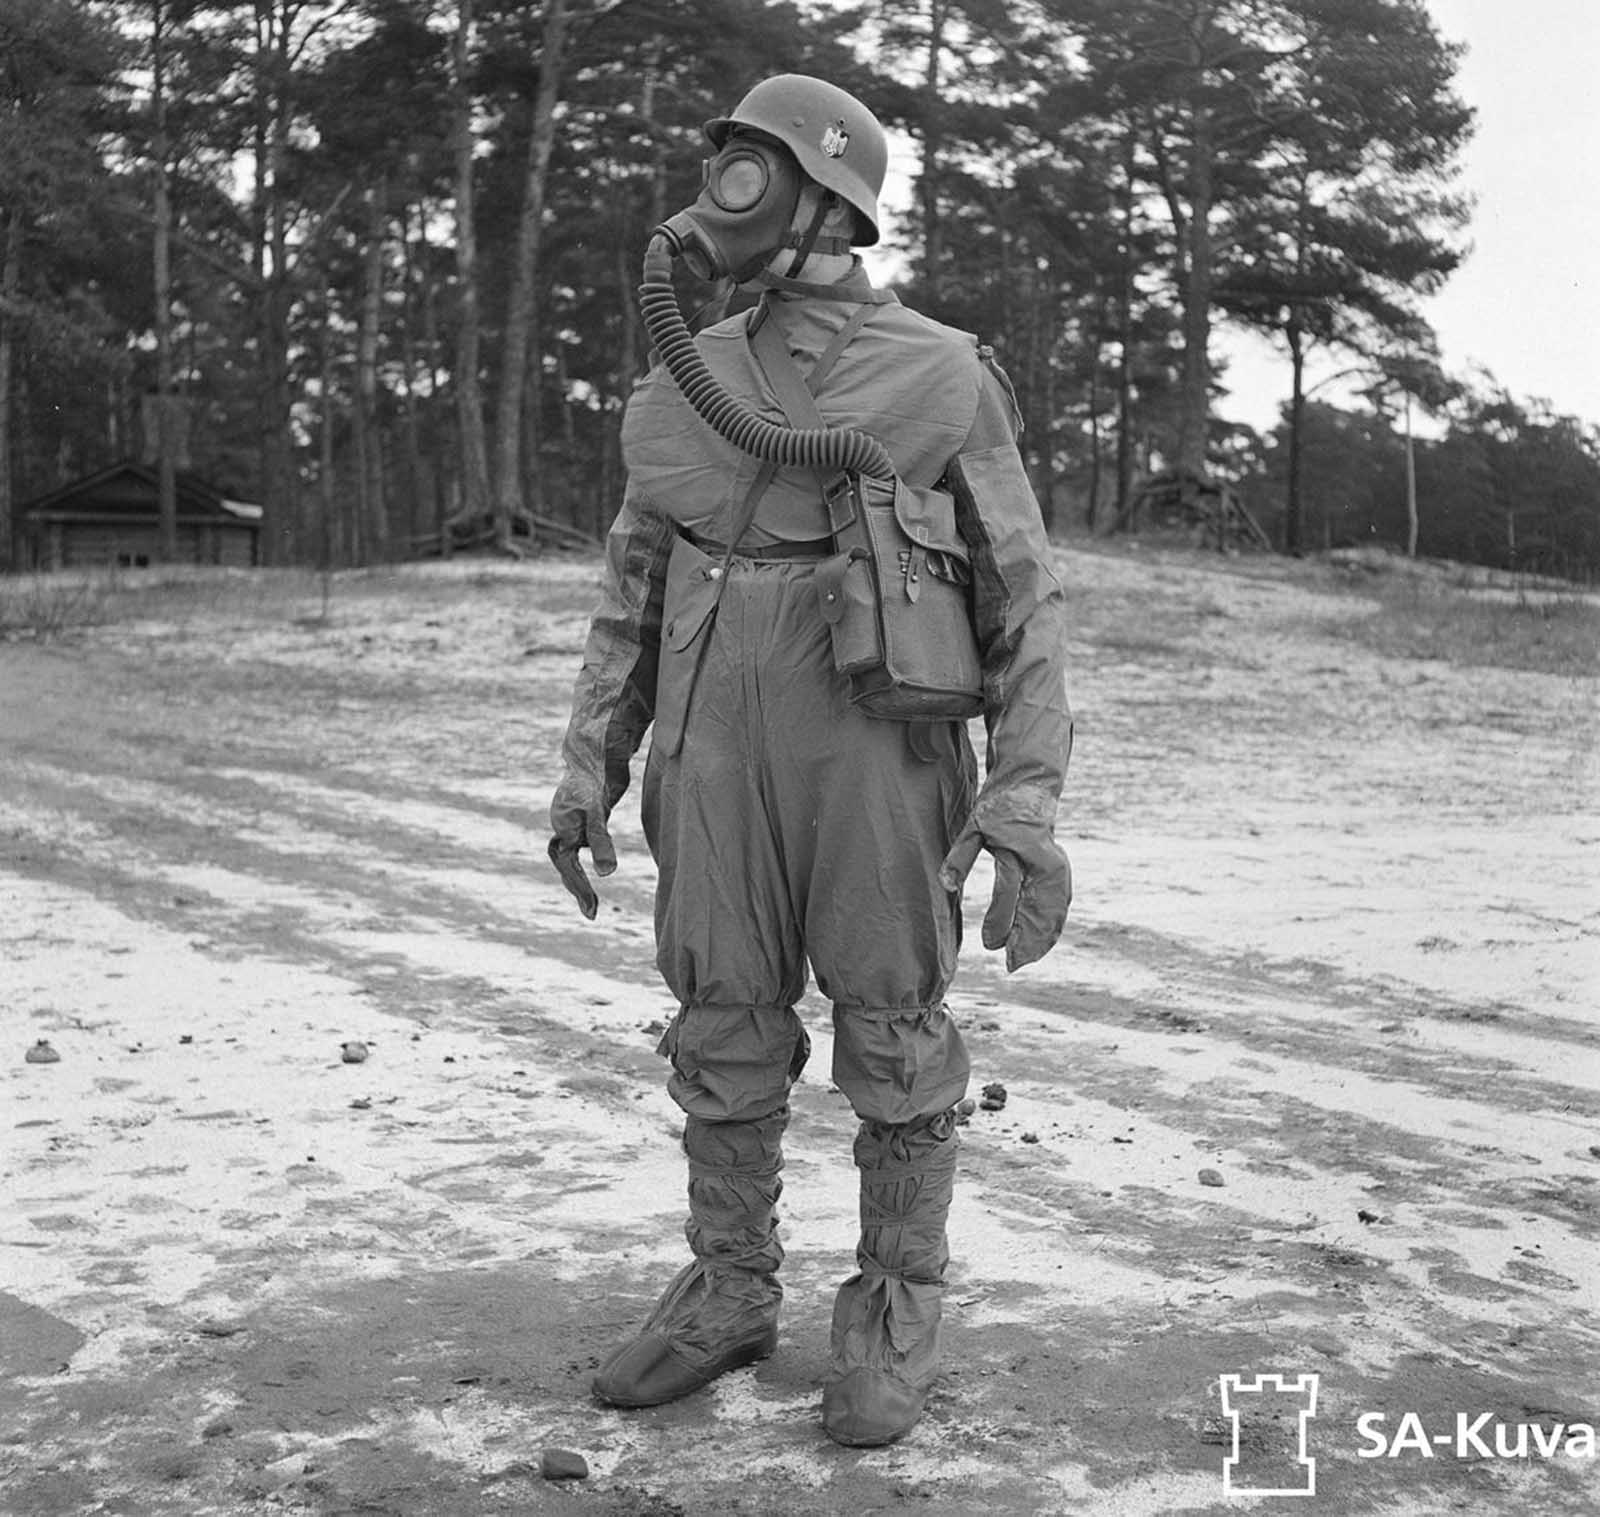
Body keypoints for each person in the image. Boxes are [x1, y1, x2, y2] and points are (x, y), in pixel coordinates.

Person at [548, 73, 1071, 1448]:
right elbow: (633, 587)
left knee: (893, 1031)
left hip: (875, 746)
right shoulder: (689, 374)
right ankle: (727, 1291)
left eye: (756, 172)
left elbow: (1021, 597)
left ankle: (894, 1310)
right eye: (725, 169)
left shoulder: (944, 372)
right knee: (721, 1020)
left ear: (830, 202)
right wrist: (587, 763)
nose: (729, 198)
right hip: (712, 740)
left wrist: (1024, 799)